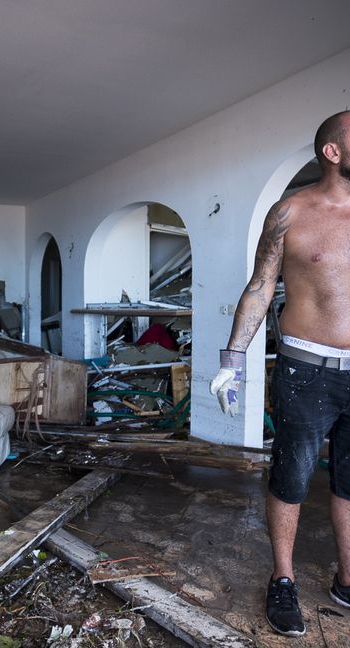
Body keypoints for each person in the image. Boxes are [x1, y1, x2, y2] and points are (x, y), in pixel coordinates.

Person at [210, 111, 350, 637]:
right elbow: (261, 287)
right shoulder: (290, 211)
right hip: (306, 368)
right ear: (332, 152)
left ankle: (347, 578)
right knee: (291, 477)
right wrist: (232, 360)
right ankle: (284, 579)